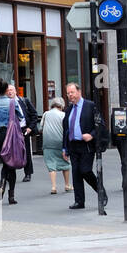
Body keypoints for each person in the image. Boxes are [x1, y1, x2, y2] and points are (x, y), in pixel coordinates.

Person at [63, 82, 106, 212]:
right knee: (76, 173)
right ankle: (79, 201)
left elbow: (100, 124)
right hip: (73, 145)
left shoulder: (90, 106)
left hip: (86, 145)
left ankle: (101, 192)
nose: (70, 95)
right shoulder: (69, 109)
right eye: (68, 93)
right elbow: (66, 130)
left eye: (72, 92)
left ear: (79, 92)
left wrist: (91, 135)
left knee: (85, 170)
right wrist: (64, 148)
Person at [0, 83, 29, 204]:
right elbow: (21, 116)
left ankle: (2, 183)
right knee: (11, 164)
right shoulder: (12, 102)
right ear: (7, 91)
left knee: (5, 162)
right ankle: (11, 195)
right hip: (11, 134)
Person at [41, 97, 71, 194]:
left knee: (51, 164)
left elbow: (41, 127)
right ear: (61, 105)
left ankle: (53, 186)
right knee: (65, 163)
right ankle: (67, 185)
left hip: (47, 142)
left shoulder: (46, 114)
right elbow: (67, 129)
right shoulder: (64, 115)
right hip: (60, 142)